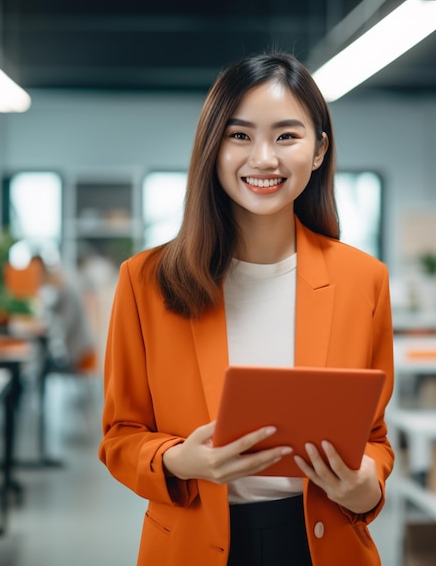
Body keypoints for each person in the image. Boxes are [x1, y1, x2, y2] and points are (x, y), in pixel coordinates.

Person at [98, 51, 394, 566]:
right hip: (194, 540)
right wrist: (179, 460)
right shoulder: (145, 281)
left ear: (319, 150)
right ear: (212, 148)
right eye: (239, 136)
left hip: (322, 542)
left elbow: (374, 440)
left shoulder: (363, 280)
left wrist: (366, 488)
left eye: (287, 136)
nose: (264, 158)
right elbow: (120, 437)